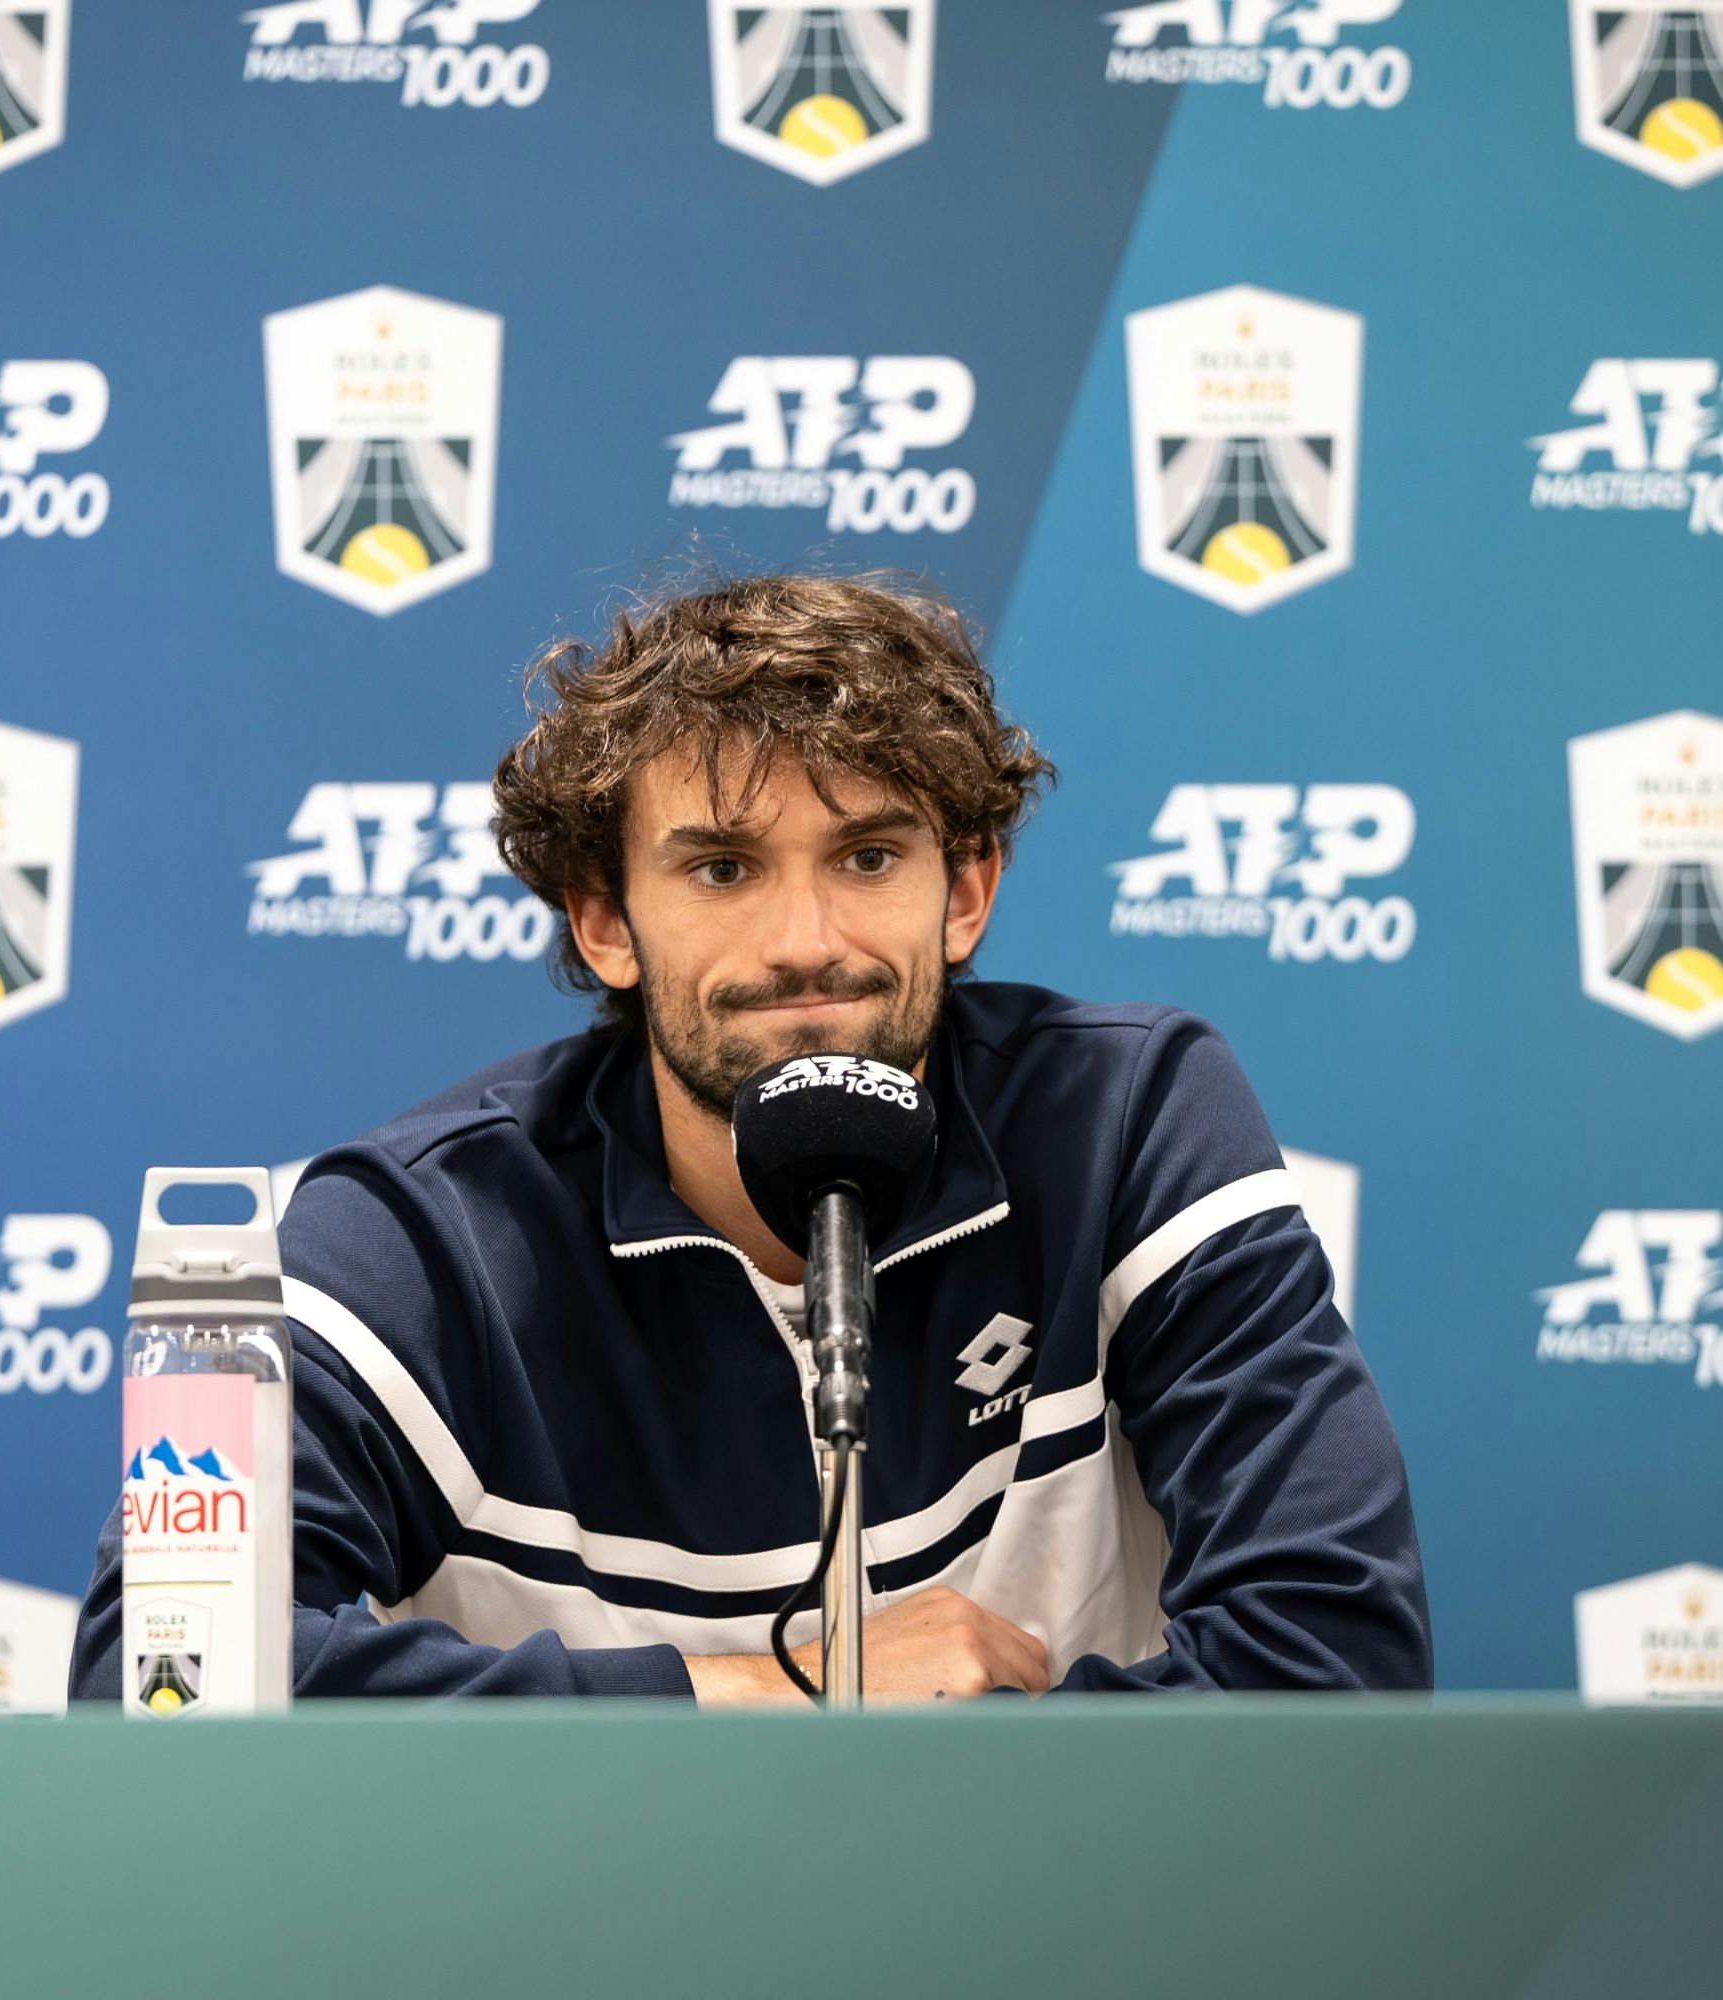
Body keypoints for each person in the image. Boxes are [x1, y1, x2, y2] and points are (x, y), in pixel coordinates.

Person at [69, 572, 1429, 1702]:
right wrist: (774, 1695)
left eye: (869, 857)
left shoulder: (1130, 1121)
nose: (806, 945)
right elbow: (158, 1670)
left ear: (967, 893)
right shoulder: (411, 1240)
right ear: (605, 922)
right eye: (722, 868)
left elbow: (1337, 1657)